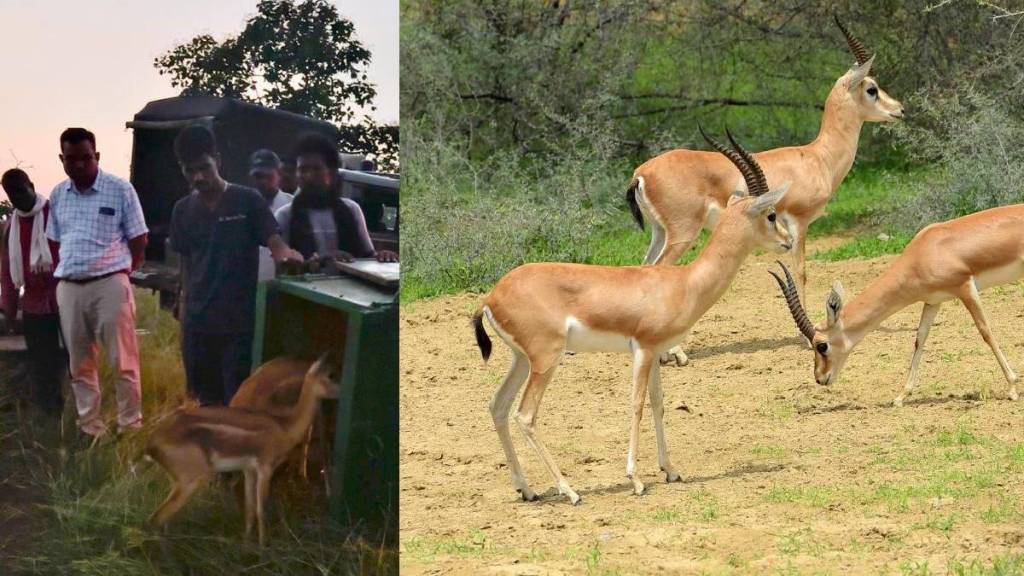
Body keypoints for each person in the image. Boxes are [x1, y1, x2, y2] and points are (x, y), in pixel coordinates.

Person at [170, 125, 304, 406]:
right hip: (197, 324)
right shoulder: (182, 210)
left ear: (217, 160)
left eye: (204, 167)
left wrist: (287, 255)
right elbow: (186, 261)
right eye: (189, 170)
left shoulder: (247, 200)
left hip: (238, 325)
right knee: (203, 403)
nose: (198, 177)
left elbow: (275, 243)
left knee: (239, 402)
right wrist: (182, 303)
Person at [46, 128, 149, 438]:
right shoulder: (57, 194)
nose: (78, 164)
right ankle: (91, 428)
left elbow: (139, 238)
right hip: (70, 287)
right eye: (71, 159)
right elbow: (54, 241)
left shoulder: (119, 189)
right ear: (62, 159)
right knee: (80, 364)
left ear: (97, 156)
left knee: (123, 361)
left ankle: (130, 426)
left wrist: (124, 272)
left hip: (110, 285)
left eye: (85, 158)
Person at [274, 133, 398, 263]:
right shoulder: (285, 215)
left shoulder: (351, 209)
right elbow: (283, 267)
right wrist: (317, 263)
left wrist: (383, 256)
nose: (309, 176)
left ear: (331, 173)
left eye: (316, 169)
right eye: (303, 169)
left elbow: (367, 256)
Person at [0, 168, 64, 417]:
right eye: (11, 195)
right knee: (42, 366)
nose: (18, 199)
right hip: (34, 306)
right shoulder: (10, 228)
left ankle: (79, 417)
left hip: (63, 301)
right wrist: (9, 310)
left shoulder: (56, 216)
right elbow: (7, 274)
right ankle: (50, 417)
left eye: (21, 191)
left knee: (74, 363)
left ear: (32, 185)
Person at [248, 149, 293, 282]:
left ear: (279, 174)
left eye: (268, 176)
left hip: (285, 284)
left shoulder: (292, 206)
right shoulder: (244, 207)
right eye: (258, 176)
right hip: (252, 284)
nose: (263, 181)